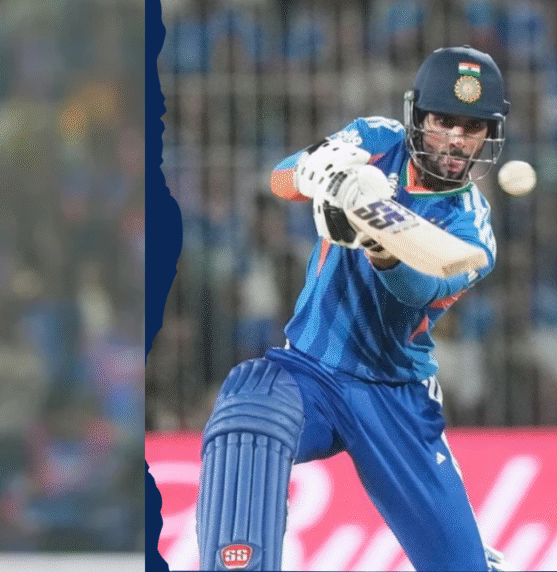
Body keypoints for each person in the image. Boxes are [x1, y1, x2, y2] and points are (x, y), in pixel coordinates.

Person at [196, 46, 509, 571]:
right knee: (246, 414)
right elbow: (278, 178)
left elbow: (417, 288)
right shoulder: (375, 138)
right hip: (312, 372)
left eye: (473, 127)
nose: (457, 138)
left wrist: (374, 231)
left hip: (397, 401)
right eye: (444, 121)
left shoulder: (472, 230)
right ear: (418, 117)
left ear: (489, 134)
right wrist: (317, 173)